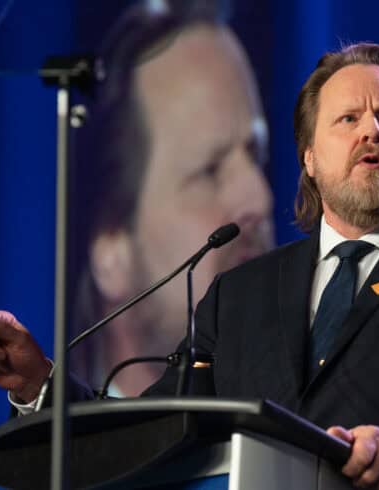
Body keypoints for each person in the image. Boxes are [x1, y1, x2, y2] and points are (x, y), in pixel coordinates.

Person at [0, 42, 379, 490]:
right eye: (347, 119)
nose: (371, 131)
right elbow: (150, 432)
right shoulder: (238, 291)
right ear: (309, 157)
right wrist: (40, 384)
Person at [66, 7, 274, 396]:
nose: (259, 197)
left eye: (256, 155)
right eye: (209, 171)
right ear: (111, 247)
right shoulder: (58, 455)